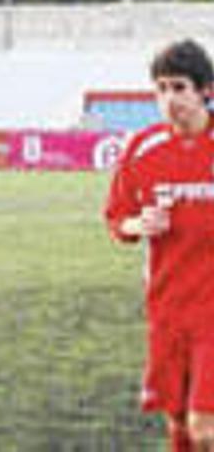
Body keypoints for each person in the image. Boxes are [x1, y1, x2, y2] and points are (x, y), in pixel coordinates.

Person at [105, 39, 214, 452]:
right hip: (167, 308)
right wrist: (139, 223)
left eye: (180, 87)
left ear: (205, 90)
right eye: (161, 89)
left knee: (205, 429)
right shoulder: (142, 149)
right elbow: (116, 219)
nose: (170, 99)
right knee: (180, 428)